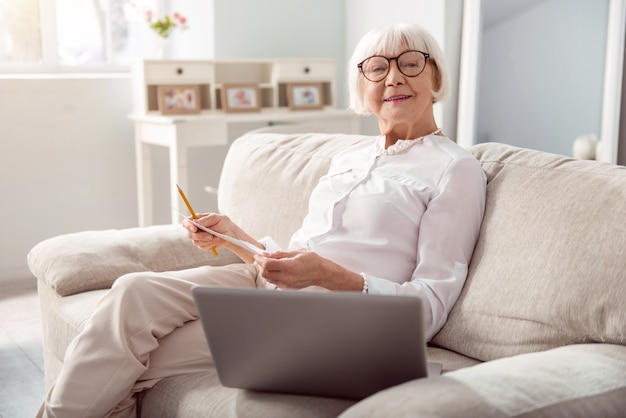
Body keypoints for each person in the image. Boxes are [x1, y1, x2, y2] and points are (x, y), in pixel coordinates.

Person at [38, 23, 486, 417]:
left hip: (335, 318)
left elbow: (427, 308)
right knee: (131, 290)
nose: (393, 77)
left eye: (410, 63)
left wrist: (328, 273)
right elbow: (291, 257)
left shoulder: (454, 169)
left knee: (126, 360)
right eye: (377, 67)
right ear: (362, 85)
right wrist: (235, 237)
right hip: (270, 288)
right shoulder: (347, 157)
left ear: (436, 75)